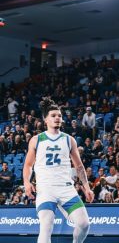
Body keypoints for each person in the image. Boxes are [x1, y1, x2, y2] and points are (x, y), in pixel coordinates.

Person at [22, 98, 93, 243]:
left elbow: (79, 166)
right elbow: (28, 165)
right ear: (45, 120)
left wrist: (87, 188)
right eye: (53, 115)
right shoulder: (37, 140)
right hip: (46, 189)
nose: (57, 118)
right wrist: (27, 183)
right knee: (46, 226)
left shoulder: (69, 140)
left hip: (66, 188)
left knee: (84, 224)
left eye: (59, 115)